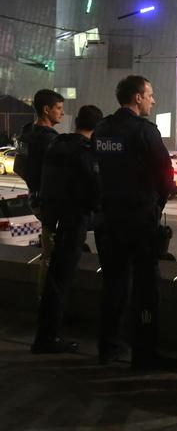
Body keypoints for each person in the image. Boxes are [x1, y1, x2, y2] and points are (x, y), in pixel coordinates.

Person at [93, 75, 177, 370]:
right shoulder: (144, 131)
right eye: (150, 95)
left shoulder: (102, 129)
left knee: (113, 286)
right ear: (137, 97)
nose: (153, 100)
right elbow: (166, 177)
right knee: (146, 290)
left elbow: (96, 172)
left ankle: (108, 348)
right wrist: (156, 206)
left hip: (109, 219)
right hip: (139, 221)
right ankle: (145, 353)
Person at [31, 105, 103, 354]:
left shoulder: (57, 144)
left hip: (54, 217)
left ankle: (45, 334)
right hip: (73, 219)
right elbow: (95, 187)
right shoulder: (84, 151)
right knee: (60, 280)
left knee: (54, 277)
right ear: (96, 128)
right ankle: (48, 338)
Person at [14, 89, 64, 295]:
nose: (62, 113)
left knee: (47, 252)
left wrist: (34, 186)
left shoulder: (26, 132)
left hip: (35, 198)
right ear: (46, 110)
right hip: (50, 203)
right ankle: (47, 303)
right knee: (52, 255)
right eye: (59, 108)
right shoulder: (50, 140)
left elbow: (19, 166)